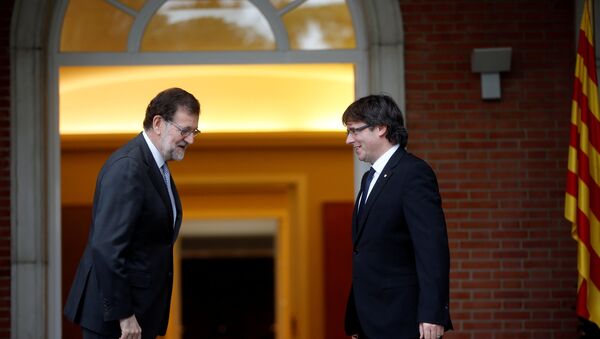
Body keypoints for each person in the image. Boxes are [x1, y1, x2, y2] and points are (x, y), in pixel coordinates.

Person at [64, 87, 201, 339]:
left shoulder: (154, 166)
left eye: (194, 132)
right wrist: (125, 316)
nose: (190, 139)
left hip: (136, 317)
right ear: (158, 123)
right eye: (184, 131)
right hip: (118, 323)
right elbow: (107, 247)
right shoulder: (129, 166)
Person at [342, 94, 452, 339]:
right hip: (370, 319)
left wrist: (432, 313)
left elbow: (431, 249)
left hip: (401, 318)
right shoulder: (369, 178)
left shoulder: (413, 174)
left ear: (381, 128)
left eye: (354, 131)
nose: (349, 140)